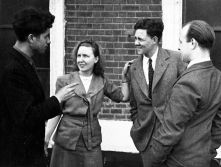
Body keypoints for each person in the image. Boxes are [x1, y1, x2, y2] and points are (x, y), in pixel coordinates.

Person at [0, 8, 79, 167]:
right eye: (46, 36)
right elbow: (27, 117)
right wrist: (58, 99)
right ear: (31, 38)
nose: (49, 41)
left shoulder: (23, 61)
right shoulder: (13, 69)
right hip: (18, 157)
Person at [156, 20, 221, 167]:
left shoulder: (187, 83)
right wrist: (208, 151)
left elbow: (169, 132)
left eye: (181, 42)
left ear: (193, 43)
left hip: (177, 161)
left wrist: (154, 161)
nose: (178, 47)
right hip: (203, 160)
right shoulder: (220, 78)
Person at [45, 40, 130, 167]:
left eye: (85, 56)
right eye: (79, 56)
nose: (81, 60)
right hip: (66, 139)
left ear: (96, 59)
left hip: (91, 141)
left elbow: (123, 97)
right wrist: (46, 137)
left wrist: (124, 78)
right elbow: (56, 111)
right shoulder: (64, 81)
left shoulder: (102, 81)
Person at [127, 18, 186, 167]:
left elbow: (187, 99)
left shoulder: (176, 59)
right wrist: (137, 125)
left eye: (140, 39)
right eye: (135, 38)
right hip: (146, 143)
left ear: (154, 39)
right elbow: (133, 104)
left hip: (175, 141)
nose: (135, 43)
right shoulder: (132, 67)